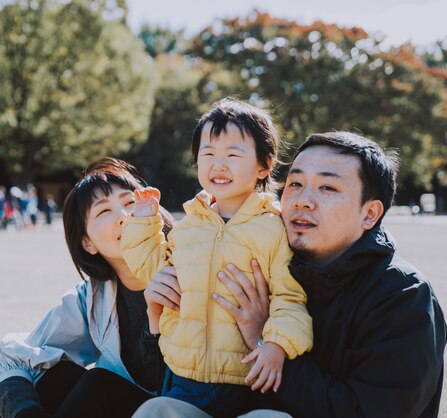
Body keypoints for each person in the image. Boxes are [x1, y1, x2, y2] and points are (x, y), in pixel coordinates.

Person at [133, 132, 447, 418]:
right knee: (159, 410)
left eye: (327, 187)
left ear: (369, 213)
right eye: (295, 184)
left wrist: (263, 340)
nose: (301, 200)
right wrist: (157, 315)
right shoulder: (266, 260)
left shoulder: (402, 295)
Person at [121, 98, 312, 418]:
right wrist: (143, 222)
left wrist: (276, 346)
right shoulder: (189, 225)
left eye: (233, 155)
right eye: (208, 154)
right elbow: (154, 271)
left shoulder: (272, 227)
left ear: (264, 165)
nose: (218, 164)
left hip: (250, 377)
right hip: (183, 377)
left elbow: (290, 297)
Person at [0, 158, 179, 418]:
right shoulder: (93, 296)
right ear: (88, 243)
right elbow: (16, 358)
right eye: (104, 211)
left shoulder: (187, 268)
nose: (124, 217)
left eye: (130, 202)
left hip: (181, 408)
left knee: (99, 385)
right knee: (55, 378)